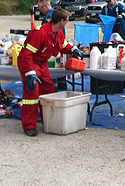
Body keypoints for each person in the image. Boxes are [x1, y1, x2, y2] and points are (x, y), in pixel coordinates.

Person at [17, 8, 82, 136]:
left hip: (41, 64)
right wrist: (30, 74)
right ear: (61, 21)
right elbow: (27, 55)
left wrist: (73, 50)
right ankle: (29, 126)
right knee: (32, 94)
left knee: (49, 91)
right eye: (67, 20)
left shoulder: (58, 33)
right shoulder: (40, 33)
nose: (67, 23)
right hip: (30, 63)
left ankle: (48, 121)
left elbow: (63, 46)